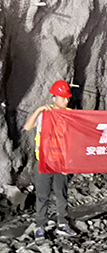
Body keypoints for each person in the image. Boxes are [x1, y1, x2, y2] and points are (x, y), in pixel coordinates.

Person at [23, 80, 78, 239]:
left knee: (62, 194)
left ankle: (62, 224)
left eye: (67, 98)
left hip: (61, 162)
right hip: (44, 162)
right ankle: (40, 226)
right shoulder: (44, 114)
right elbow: (27, 127)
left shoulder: (70, 115)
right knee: (42, 195)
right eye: (62, 97)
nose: (66, 100)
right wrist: (39, 109)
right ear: (54, 98)